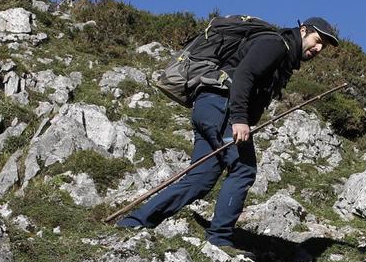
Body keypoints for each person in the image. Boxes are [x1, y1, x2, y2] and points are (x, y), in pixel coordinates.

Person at [116, 17, 338, 246]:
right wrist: (240, 119)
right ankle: (219, 239)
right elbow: (244, 75)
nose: (318, 48)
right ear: (303, 31)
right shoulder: (276, 45)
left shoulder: (282, 51)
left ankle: (134, 222)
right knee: (244, 169)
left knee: (199, 180)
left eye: (324, 46)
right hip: (221, 108)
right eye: (317, 40)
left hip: (209, 107)